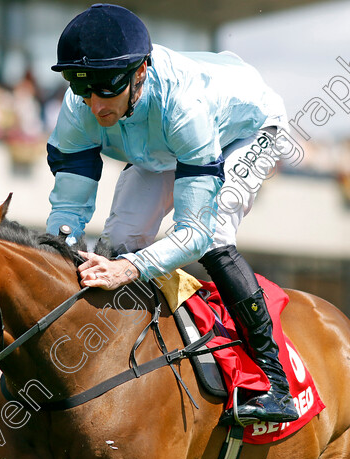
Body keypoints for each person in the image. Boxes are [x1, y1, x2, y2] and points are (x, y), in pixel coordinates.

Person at [45, 4, 298, 424]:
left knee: (215, 232)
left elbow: (194, 233)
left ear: (140, 71)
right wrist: (64, 253)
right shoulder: (81, 106)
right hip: (161, 145)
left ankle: (275, 380)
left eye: (105, 87)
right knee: (121, 239)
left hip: (246, 131)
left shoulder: (185, 105)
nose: (94, 104)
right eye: (79, 85)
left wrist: (129, 270)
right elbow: (68, 209)